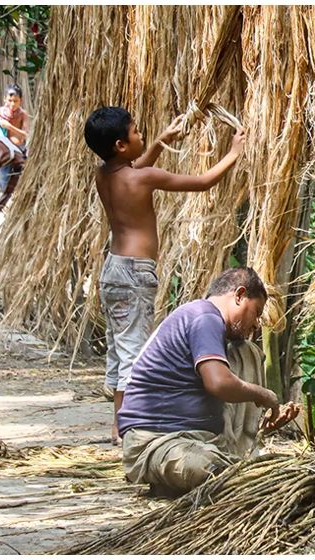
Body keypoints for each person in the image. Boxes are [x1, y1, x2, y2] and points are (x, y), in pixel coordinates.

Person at [82, 106, 246, 445]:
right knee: (133, 350)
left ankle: (117, 421)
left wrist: (158, 142)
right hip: (135, 273)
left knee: (118, 346)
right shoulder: (143, 178)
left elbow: (131, 171)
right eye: (137, 132)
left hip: (113, 270)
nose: (142, 135)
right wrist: (233, 153)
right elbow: (203, 183)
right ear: (120, 145)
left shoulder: (104, 174)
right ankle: (125, 426)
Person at [118, 267, 300, 496]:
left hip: (195, 438)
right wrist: (264, 395)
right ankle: (176, 476)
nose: (256, 324)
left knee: (246, 352)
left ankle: (239, 452)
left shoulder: (208, 321)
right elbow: (219, 384)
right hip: (157, 441)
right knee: (216, 472)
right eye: (256, 312)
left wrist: (260, 424)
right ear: (239, 295)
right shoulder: (205, 317)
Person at [0, 84, 30, 192]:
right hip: (5, 151)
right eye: (10, 100)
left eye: (15, 101)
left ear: (20, 101)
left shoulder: (23, 114)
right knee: (4, 178)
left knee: (19, 179)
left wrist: (10, 127)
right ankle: (6, 204)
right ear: (5, 99)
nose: (12, 104)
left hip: (19, 149)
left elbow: (25, 134)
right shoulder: (0, 112)